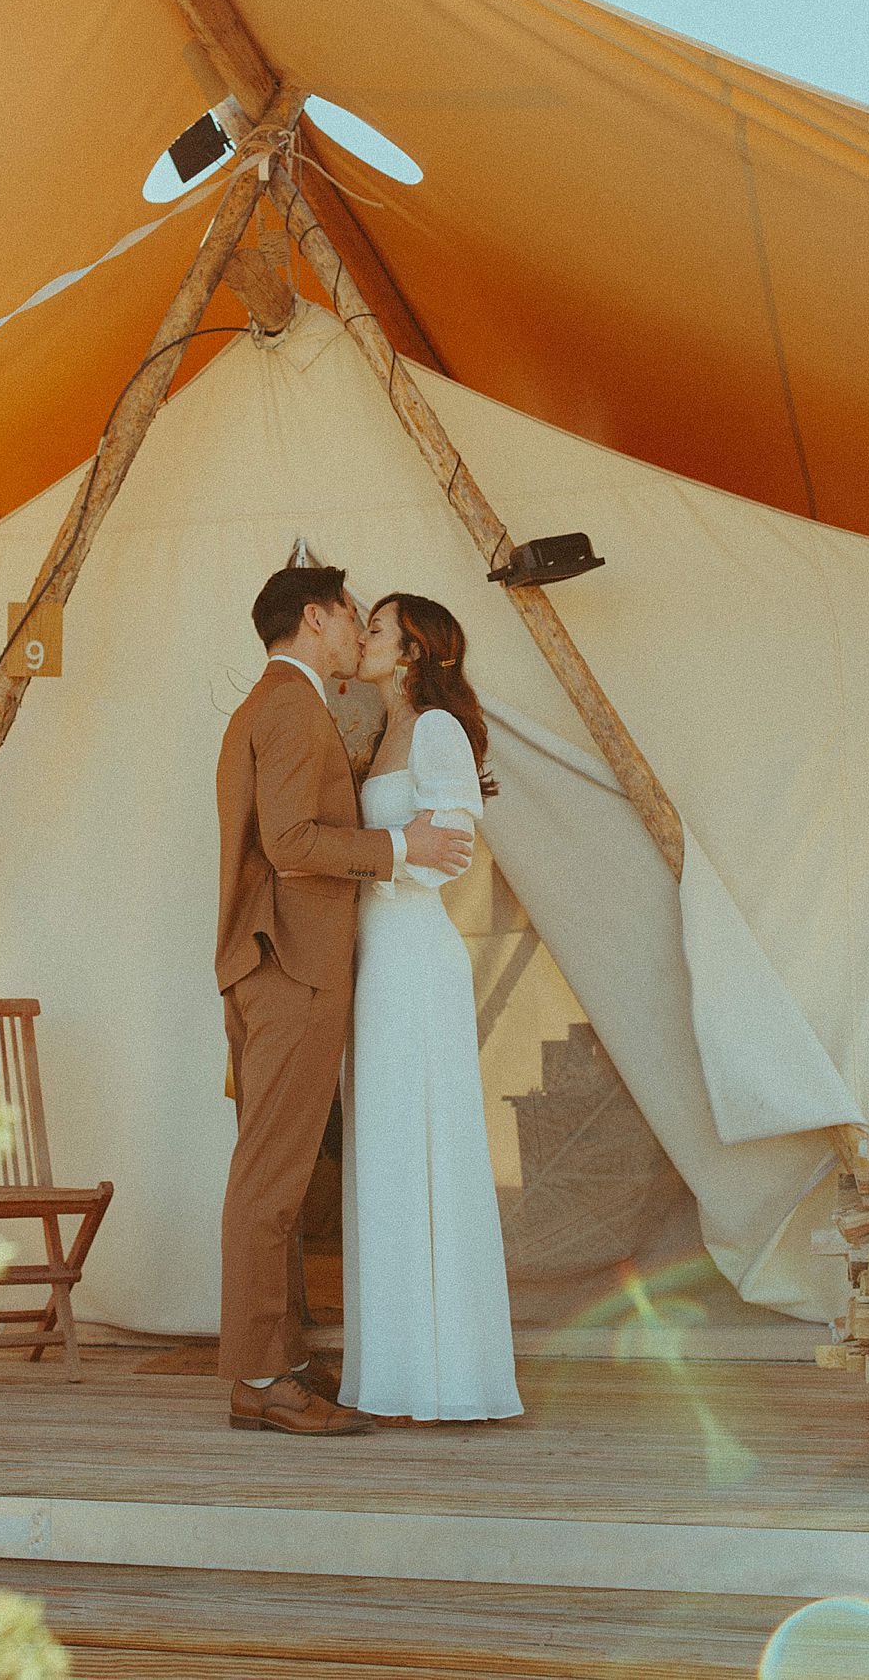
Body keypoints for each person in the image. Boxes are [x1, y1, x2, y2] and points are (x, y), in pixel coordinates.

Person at [214, 565, 473, 1435]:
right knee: (273, 1178)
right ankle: (261, 1376)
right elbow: (290, 843)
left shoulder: (274, 706)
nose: (359, 632)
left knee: (276, 1173)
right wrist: (401, 844)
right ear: (315, 619)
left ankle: (277, 1361)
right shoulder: (290, 706)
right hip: (292, 960)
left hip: (273, 958)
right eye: (352, 617)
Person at [340, 591, 523, 1424]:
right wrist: (389, 850)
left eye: (374, 628)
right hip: (376, 958)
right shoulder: (381, 734)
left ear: (411, 650)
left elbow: (448, 852)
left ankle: (448, 1373)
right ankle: (395, 1369)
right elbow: (409, 842)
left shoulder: (438, 733)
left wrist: (386, 857)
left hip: (415, 955)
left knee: (423, 1146)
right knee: (381, 1150)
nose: (363, 639)